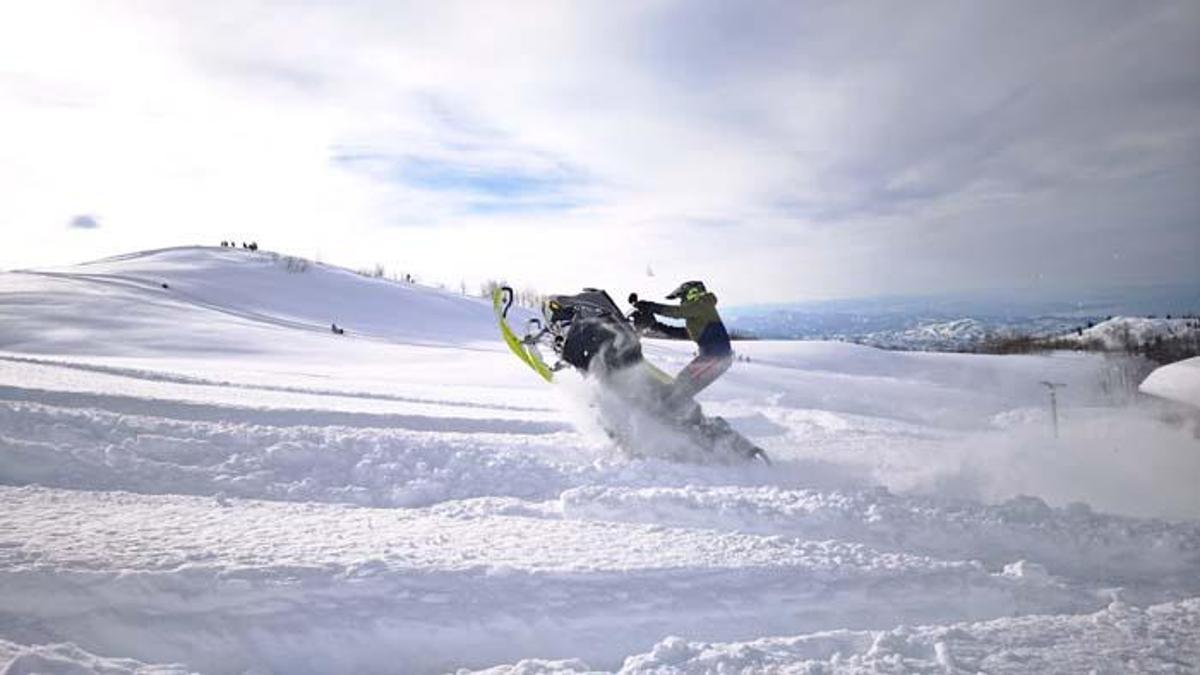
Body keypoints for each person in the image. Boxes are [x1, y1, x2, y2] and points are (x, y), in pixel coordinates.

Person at [635, 280, 732, 411]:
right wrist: (656, 325)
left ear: (692, 293)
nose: (681, 301)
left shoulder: (703, 304)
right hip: (711, 358)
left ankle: (671, 413)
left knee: (681, 388)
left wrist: (651, 306)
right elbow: (682, 333)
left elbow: (678, 312)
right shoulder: (700, 313)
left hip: (716, 358)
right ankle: (679, 413)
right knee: (680, 384)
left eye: (682, 297)